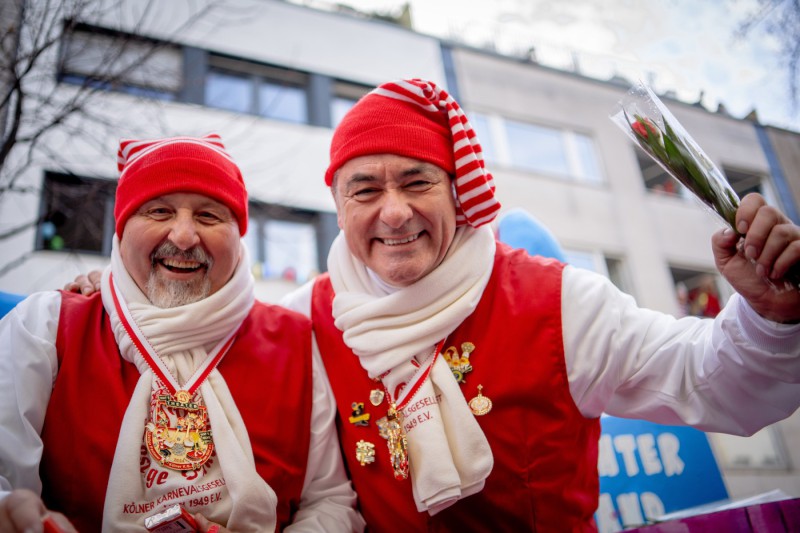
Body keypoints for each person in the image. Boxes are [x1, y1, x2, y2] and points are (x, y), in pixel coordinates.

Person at [66, 80, 800, 532]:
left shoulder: (557, 301)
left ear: (458, 191)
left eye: (416, 182)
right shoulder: (303, 320)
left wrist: (765, 314)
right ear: (338, 205)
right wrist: (109, 300)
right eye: (365, 190)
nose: (393, 213)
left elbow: (716, 385)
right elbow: (197, 346)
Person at [0, 135, 364, 532]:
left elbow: (329, 500)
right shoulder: (46, 326)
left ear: (239, 238)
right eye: (159, 211)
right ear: (121, 230)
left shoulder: (295, 339)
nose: (185, 236)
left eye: (209, 216)